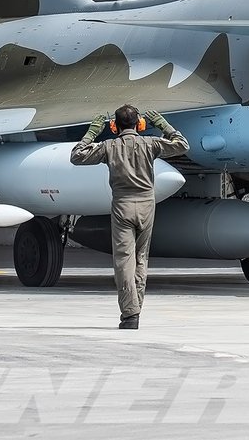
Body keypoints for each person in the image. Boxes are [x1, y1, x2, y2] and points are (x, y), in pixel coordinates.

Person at [69, 105, 189, 329]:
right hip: (147, 206)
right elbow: (182, 145)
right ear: (140, 125)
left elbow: (76, 156)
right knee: (141, 258)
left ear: (114, 126)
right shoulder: (150, 143)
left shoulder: (109, 146)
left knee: (124, 261)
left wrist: (92, 132)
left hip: (122, 206)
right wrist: (163, 124)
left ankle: (130, 313)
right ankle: (135, 310)